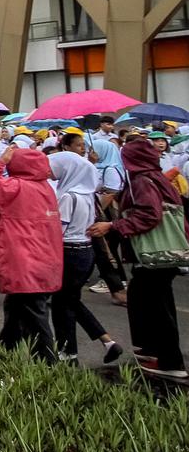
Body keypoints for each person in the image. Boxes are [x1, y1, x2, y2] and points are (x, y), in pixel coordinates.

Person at [89, 140, 187, 378]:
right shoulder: (156, 177)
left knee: (156, 305)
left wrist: (113, 225)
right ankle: (152, 350)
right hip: (165, 253)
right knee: (147, 299)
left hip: (153, 253)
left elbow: (149, 214)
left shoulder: (141, 181)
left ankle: (170, 363)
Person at [0, 146, 62, 363]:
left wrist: (0, 162)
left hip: (22, 260)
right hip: (43, 258)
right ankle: (4, 352)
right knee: (15, 308)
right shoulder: (46, 188)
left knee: (35, 315)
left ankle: (47, 364)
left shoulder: (14, 186)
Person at [48, 152, 123, 365]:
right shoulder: (88, 195)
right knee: (71, 300)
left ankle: (68, 353)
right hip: (85, 250)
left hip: (68, 252)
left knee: (62, 304)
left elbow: (58, 231)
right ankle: (107, 342)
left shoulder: (68, 196)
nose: (51, 171)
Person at [88, 139, 129, 305]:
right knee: (107, 247)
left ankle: (117, 280)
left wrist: (97, 212)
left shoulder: (110, 169)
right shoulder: (105, 166)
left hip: (109, 214)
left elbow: (111, 193)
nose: (91, 152)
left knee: (108, 248)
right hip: (106, 214)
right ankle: (117, 280)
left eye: (94, 150)